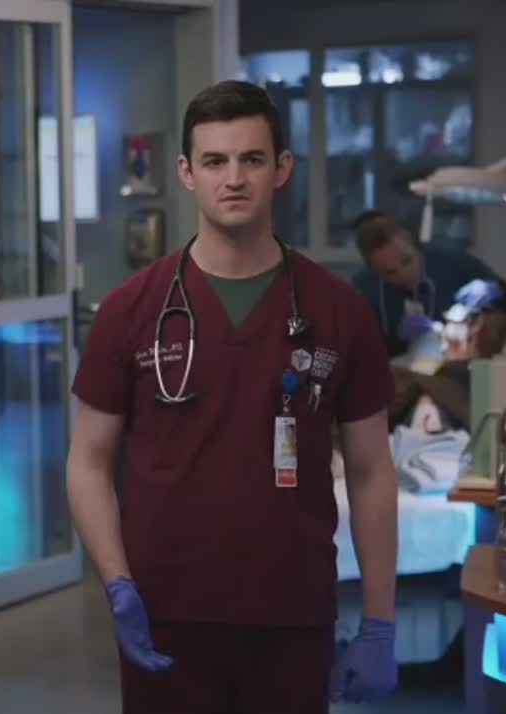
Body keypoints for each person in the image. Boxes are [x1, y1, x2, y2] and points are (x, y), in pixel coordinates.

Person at [67, 80, 400, 714]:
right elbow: (88, 463)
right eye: (215, 161)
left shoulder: (338, 310)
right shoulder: (131, 310)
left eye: (252, 159)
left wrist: (381, 620)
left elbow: (370, 470)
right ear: (186, 172)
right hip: (166, 611)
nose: (234, 178)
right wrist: (117, 585)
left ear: (282, 169)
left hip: (293, 614)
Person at [350, 209, 506, 356]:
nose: (404, 274)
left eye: (407, 261)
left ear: (415, 246)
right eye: (390, 272)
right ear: (373, 270)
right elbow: (361, 355)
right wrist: (397, 339)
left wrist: (496, 289)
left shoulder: (454, 263)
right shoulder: (365, 290)